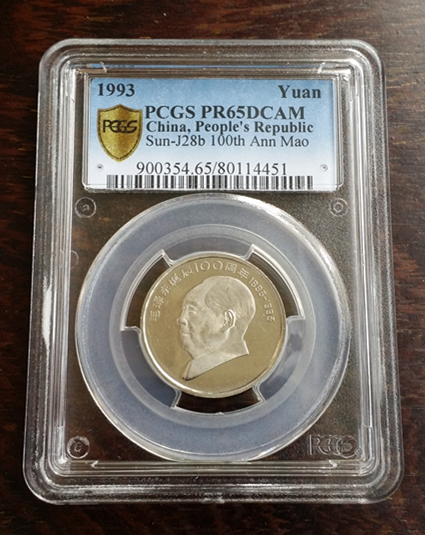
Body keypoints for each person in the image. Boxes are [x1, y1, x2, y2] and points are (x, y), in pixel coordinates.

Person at [177, 276, 256, 380]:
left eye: (192, 310)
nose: (181, 319)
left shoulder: (236, 370)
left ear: (226, 321)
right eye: (184, 309)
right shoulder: (194, 368)